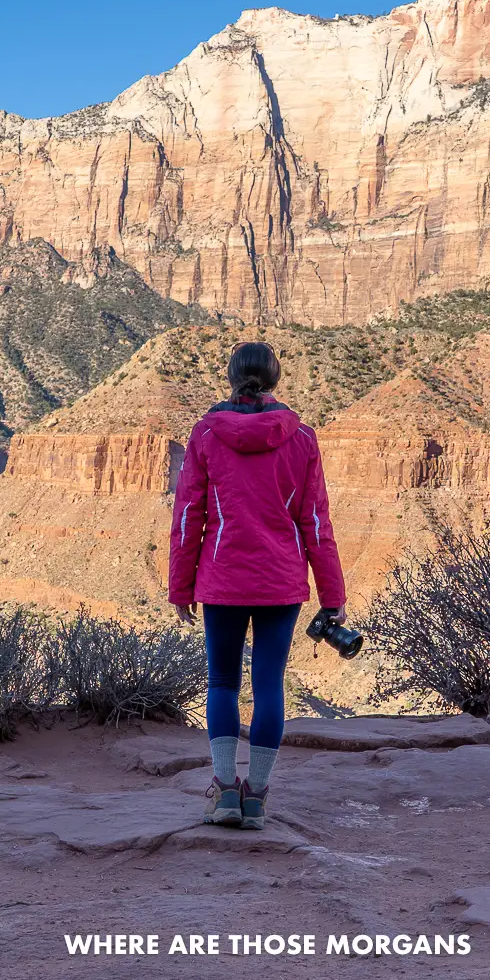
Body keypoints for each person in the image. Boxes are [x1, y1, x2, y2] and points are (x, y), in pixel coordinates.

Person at [169, 342, 346, 830]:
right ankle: (258, 798)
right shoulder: (302, 438)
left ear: (231, 378)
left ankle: (225, 790)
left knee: (222, 681)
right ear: (275, 380)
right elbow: (316, 523)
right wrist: (334, 597)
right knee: (269, 685)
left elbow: (188, 516)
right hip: (280, 581)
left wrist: (181, 588)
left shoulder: (206, 435)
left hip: (222, 578)